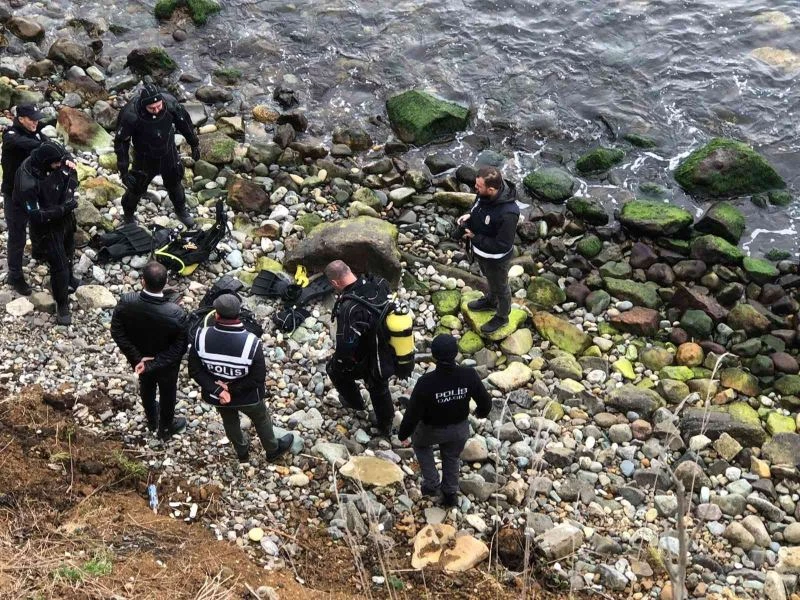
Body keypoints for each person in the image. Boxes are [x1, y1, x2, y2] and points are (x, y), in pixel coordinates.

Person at [188, 294, 293, 464]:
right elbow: (257, 378)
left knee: (229, 420)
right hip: (248, 396)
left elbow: (194, 370)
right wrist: (231, 389)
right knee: (261, 418)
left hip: (217, 396)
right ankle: (272, 450)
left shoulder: (200, 336)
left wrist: (219, 390)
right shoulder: (252, 342)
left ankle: (242, 452)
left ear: (216, 315)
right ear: (239, 314)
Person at [398, 334, 491, 508]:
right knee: (452, 456)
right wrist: (481, 413)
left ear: (434, 355)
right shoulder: (469, 375)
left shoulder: (426, 383)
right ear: (456, 353)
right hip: (459, 429)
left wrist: (403, 434)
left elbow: (413, 413)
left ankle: (432, 483)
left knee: (420, 444)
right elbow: (485, 401)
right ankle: (450, 493)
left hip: (431, 429)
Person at [111, 261, 189, 439]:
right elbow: (180, 347)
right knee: (168, 392)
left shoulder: (126, 302)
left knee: (146, 386)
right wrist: (155, 362)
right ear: (165, 282)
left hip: (140, 358)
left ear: (143, 282)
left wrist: (137, 358)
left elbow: (117, 331)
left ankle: (152, 420)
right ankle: (165, 428)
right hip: (167, 363)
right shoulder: (176, 313)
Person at [325, 259, 395, 437]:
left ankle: (356, 404)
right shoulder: (379, 283)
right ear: (349, 270)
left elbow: (346, 346)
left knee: (335, 370)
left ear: (335, 283)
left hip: (372, 357)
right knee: (381, 388)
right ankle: (387, 423)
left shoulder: (350, 308)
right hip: (392, 346)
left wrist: (340, 363)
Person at [114, 83, 199, 227]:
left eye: (159, 106)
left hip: (168, 152)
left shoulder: (170, 104)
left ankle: (181, 210)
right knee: (136, 187)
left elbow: (184, 123)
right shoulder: (131, 115)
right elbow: (121, 142)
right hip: (144, 157)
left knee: (175, 182)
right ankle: (128, 215)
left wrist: (194, 143)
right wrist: (124, 171)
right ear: (144, 106)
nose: (156, 110)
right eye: (152, 108)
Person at [16, 141, 78, 324]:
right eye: (56, 163)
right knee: (59, 265)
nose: (60, 165)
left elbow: (66, 159)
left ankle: (71, 278)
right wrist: (62, 209)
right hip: (47, 225)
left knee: (70, 249)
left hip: (64, 211)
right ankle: (62, 304)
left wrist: (69, 163)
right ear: (46, 162)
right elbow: (36, 215)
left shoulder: (52, 156)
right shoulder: (27, 181)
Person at [455, 165, 520, 334]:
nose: (475, 188)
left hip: (496, 259)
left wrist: (474, 237)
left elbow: (503, 245)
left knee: (501, 287)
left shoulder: (509, 213)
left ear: (491, 190)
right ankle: (491, 301)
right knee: (489, 279)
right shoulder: (484, 194)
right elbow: (476, 206)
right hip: (482, 252)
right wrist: (469, 215)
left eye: (478, 186)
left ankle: (502, 316)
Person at [2, 104, 46, 296]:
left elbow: (51, 146)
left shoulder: (36, 132)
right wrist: (43, 147)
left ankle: (39, 252)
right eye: (31, 119)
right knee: (17, 236)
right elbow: (23, 144)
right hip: (14, 195)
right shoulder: (11, 135)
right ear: (20, 119)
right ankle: (15, 275)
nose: (36, 122)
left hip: (34, 191)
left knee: (40, 222)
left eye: (37, 118)